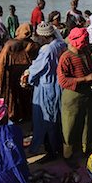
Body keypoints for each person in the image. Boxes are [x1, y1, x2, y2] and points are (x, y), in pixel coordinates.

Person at [22, 22, 66, 159]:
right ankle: (58, 145)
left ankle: (52, 150)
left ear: (44, 37)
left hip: (47, 86)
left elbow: (37, 69)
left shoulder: (47, 49)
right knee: (57, 117)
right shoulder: (61, 44)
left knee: (47, 119)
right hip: (58, 84)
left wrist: (27, 76)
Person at [57, 27, 92, 159]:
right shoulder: (66, 58)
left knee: (90, 122)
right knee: (71, 125)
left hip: (88, 92)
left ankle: (88, 148)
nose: (87, 42)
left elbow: (91, 68)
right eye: (85, 40)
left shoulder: (86, 52)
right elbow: (63, 81)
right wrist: (85, 79)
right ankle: (69, 154)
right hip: (73, 95)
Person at [0, 24, 39, 122]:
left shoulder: (10, 44)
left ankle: (14, 115)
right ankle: (27, 115)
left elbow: (0, 64)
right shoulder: (33, 45)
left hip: (11, 74)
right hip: (26, 74)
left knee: (12, 96)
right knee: (26, 95)